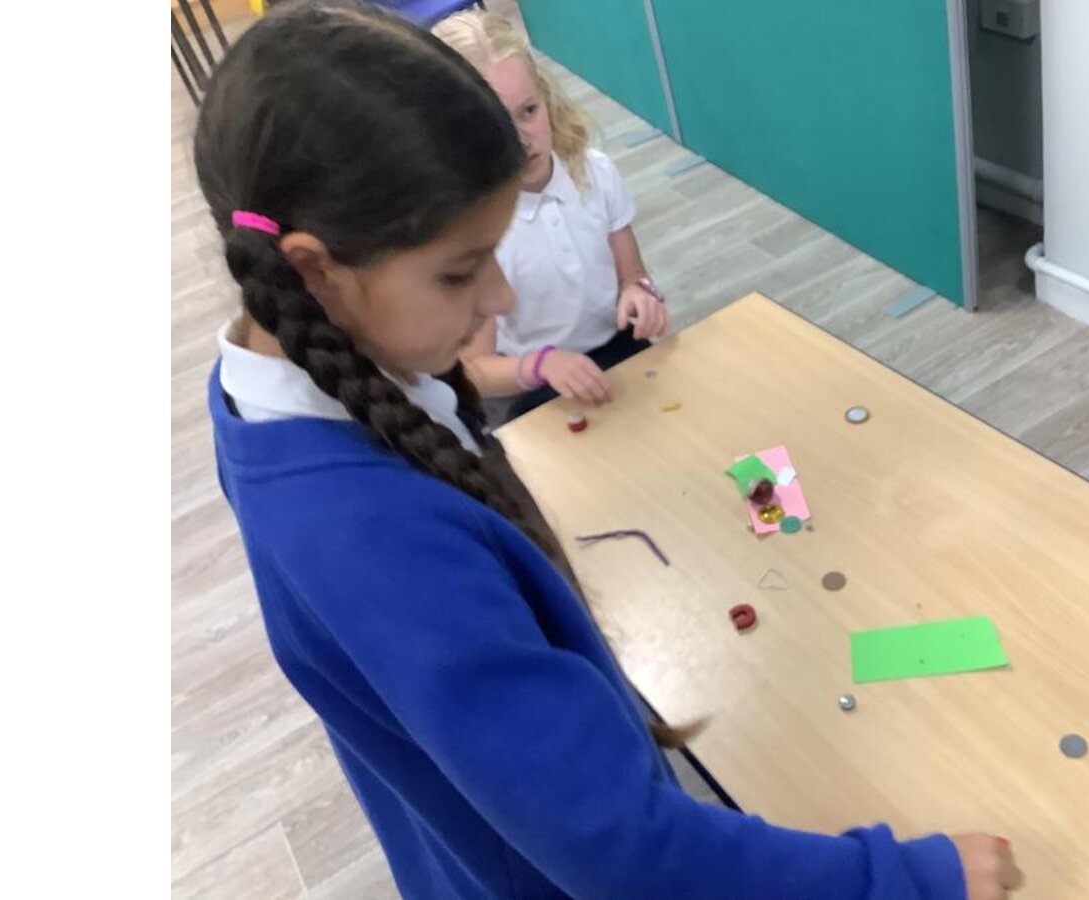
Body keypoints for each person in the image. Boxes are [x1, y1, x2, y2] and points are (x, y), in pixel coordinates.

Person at [196, 2, 1023, 897]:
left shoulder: (257, 390)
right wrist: (904, 879)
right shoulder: (374, 538)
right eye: (460, 271)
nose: (501, 297)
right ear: (312, 268)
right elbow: (626, 853)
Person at [432, 8, 670, 427]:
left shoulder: (595, 173)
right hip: (529, 383)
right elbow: (475, 371)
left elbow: (632, 277)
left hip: (616, 350)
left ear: (546, 98)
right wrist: (541, 365)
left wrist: (641, 295)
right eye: (498, 125)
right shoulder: (473, 231)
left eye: (529, 111)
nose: (523, 140)